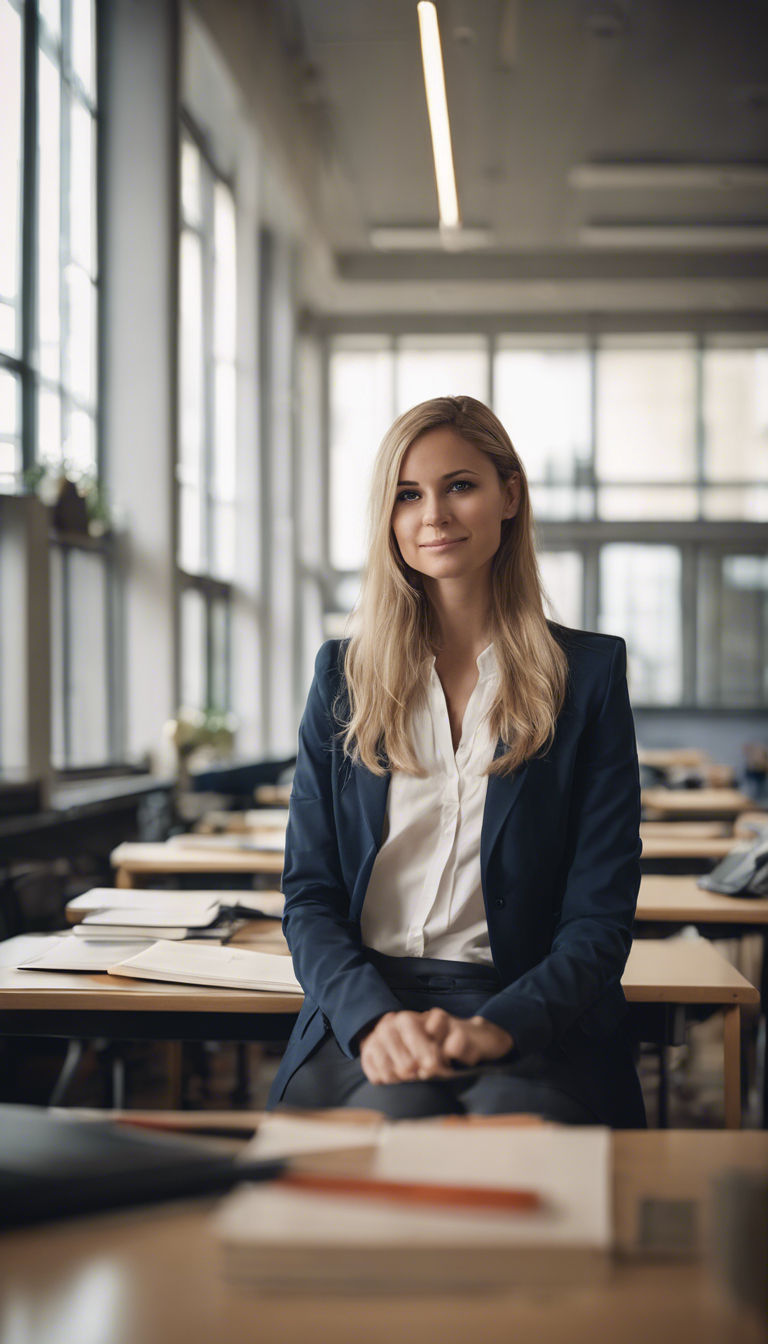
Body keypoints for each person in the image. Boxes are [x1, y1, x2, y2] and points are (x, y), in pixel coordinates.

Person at [267, 395, 645, 1126]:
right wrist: (373, 1020)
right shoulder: (342, 676)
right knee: (401, 1123)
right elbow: (309, 896)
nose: (433, 514)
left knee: (513, 1138)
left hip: (532, 1009)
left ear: (510, 496)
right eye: (408, 495)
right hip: (368, 1002)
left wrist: (500, 1025)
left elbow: (599, 916)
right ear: (390, 517)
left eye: (459, 485)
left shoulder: (589, 676)